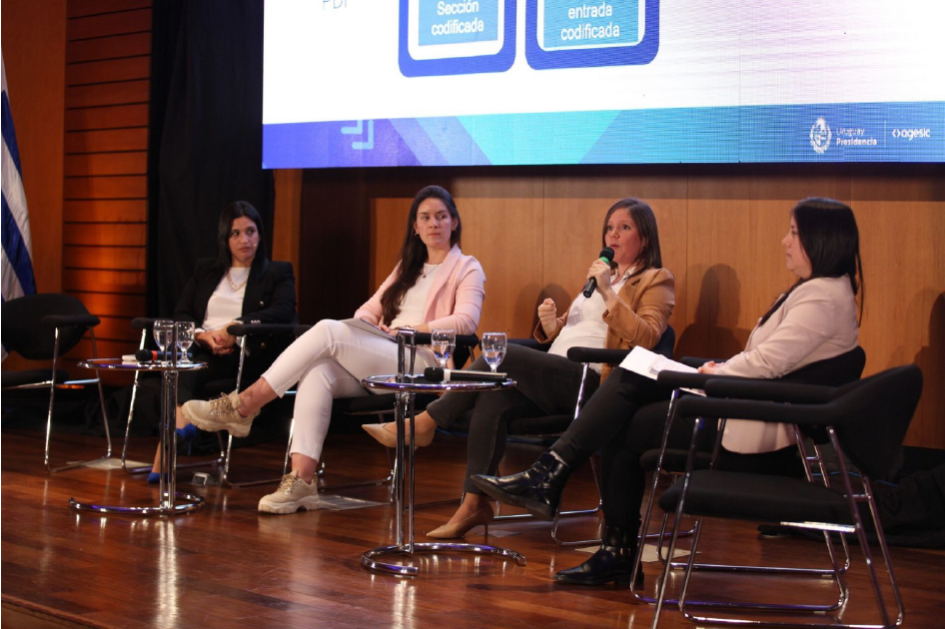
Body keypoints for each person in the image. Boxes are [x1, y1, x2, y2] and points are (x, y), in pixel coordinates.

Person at [472, 197, 864, 585]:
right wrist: (713, 368)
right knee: (631, 382)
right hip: (739, 401)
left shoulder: (823, 296)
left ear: (821, 239)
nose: (784, 241)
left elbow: (765, 364)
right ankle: (567, 493)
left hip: (749, 422)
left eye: (793, 233)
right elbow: (766, 360)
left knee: (621, 415)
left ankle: (595, 524)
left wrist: (714, 370)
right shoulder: (819, 291)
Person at [362, 198, 675, 539]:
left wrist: (607, 293)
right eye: (610, 228)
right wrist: (552, 326)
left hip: (598, 385)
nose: (613, 235)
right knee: (493, 398)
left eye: (624, 228)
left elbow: (647, 336)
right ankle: (473, 505)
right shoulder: (602, 277)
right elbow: (580, 331)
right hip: (559, 374)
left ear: (644, 238)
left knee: (506, 354)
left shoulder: (656, 279)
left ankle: (430, 420)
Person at [182, 185, 486, 514]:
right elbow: (365, 312)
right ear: (415, 227)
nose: (433, 224)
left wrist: (408, 330)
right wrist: (373, 328)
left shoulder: (467, 267)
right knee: (319, 371)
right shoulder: (406, 268)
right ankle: (302, 481)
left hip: (422, 359)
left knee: (327, 329)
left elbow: (466, 321)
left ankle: (245, 404)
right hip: (384, 352)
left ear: (454, 222)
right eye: (425, 218)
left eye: (441, 217)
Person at [147, 201, 297, 482]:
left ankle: (166, 455)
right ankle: (180, 431)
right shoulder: (207, 271)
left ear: (260, 235)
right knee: (182, 366)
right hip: (203, 351)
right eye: (236, 234)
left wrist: (236, 326)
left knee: (182, 369)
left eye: (251, 231)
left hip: (246, 357)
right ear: (225, 239)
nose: (245, 240)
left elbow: (283, 312)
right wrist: (202, 336)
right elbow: (182, 313)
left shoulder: (276, 272)